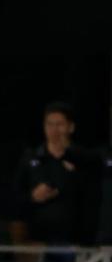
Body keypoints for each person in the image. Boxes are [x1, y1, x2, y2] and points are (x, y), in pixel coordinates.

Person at [14, 102, 98, 245]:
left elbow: (93, 195)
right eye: (49, 124)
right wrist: (33, 197)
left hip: (75, 240)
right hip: (39, 240)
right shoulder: (31, 158)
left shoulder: (85, 159)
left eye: (59, 124)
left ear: (71, 127)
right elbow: (15, 197)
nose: (54, 130)